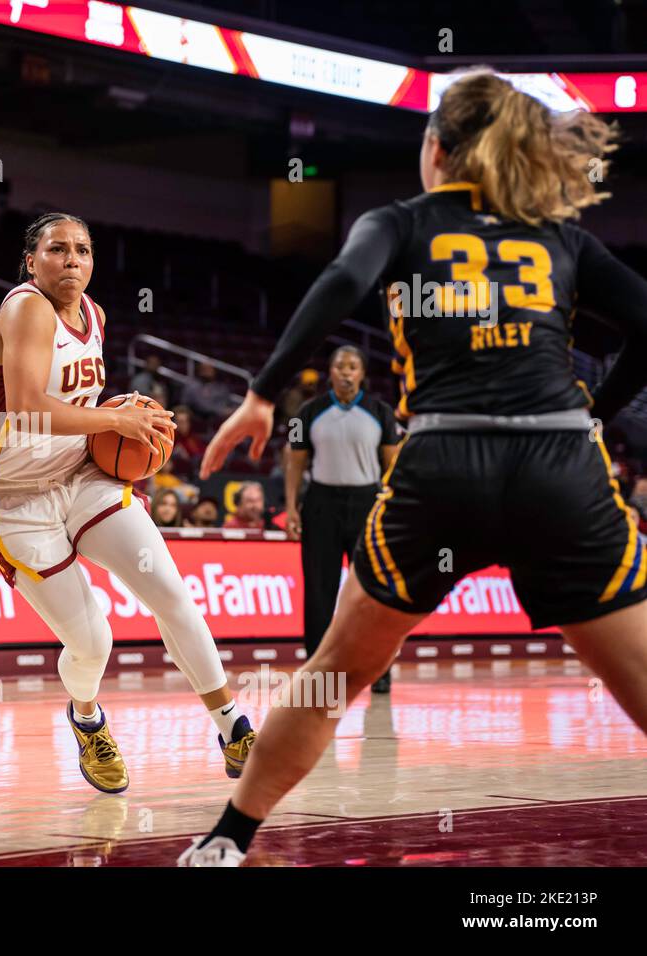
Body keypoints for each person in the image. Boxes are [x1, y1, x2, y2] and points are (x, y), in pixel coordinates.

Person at [184, 70, 647, 867]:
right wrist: (596, 412)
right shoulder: (561, 235)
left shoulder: (401, 222)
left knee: (336, 673)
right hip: (559, 469)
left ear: (435, 149)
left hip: (442, 468)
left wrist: (263, 392)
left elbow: (340, 284)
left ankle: (230, 837)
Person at [0, 212, 257, 793]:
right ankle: (87, 719)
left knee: (171, 594)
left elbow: (81, 406)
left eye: (82, 250)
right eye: (57, 250)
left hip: (83, 478)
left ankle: (234, 728)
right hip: (15, 500)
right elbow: (25, 405)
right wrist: (111, 417)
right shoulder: (25, 306)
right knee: (93, 640)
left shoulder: (95, 313)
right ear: (31, 261)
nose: (71, 260)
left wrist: (127, 415)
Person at [285, 346, 401, 691]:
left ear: (362, 373)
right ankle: (317, 673)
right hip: (321, 503)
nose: (346, 372)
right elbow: (295, 461)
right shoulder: (308, 412)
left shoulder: (381, 412)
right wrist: (292, 506)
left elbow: (393, 461)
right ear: (330, 372)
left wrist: (390, 501)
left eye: (353, 366)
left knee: (371, 590)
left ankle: (378, 671)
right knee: (319, 591)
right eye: (339, 366)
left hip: (367, 502)